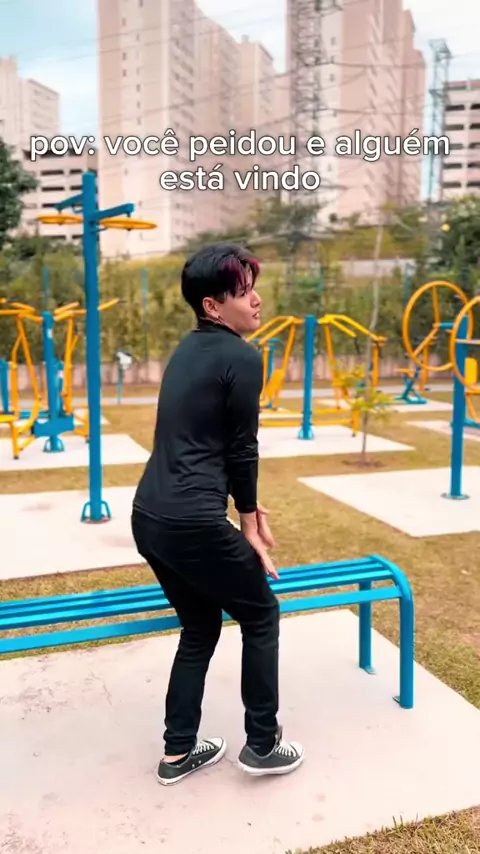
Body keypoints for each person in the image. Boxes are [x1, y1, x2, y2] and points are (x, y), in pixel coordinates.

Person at [131, 242, 304, 786]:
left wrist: (237, 504)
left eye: (253, 288)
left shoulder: (187, 350)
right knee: (261, 614)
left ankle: (177, 753)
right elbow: (242, 447)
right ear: (212, 306)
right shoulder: (242, 357)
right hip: (192, 522)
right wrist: (246, 520)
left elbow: (199, 440)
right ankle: (263, 744)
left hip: (149, 516)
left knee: (200, 626)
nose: (256, 300)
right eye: (243, 291)